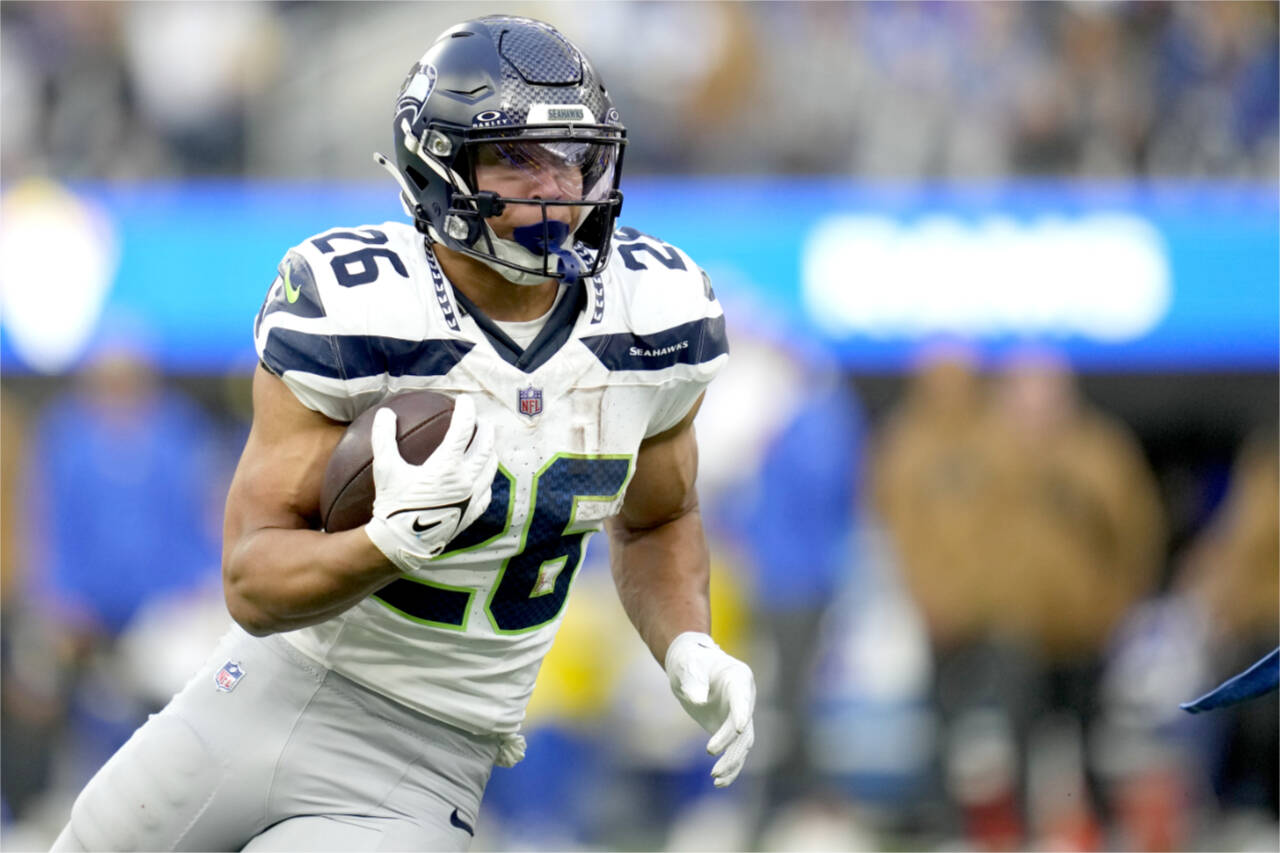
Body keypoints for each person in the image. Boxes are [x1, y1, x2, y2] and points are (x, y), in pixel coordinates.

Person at [53, 15, 755, 852]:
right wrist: (385, 546)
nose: (556, 187)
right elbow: (252, 575)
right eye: (518, 159)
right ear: (438, 169)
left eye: (572, 155)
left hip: (425, 756)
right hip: (262, 693)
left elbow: (657, 518)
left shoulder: (658, 315)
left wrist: (687, 641)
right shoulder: (356, 305)